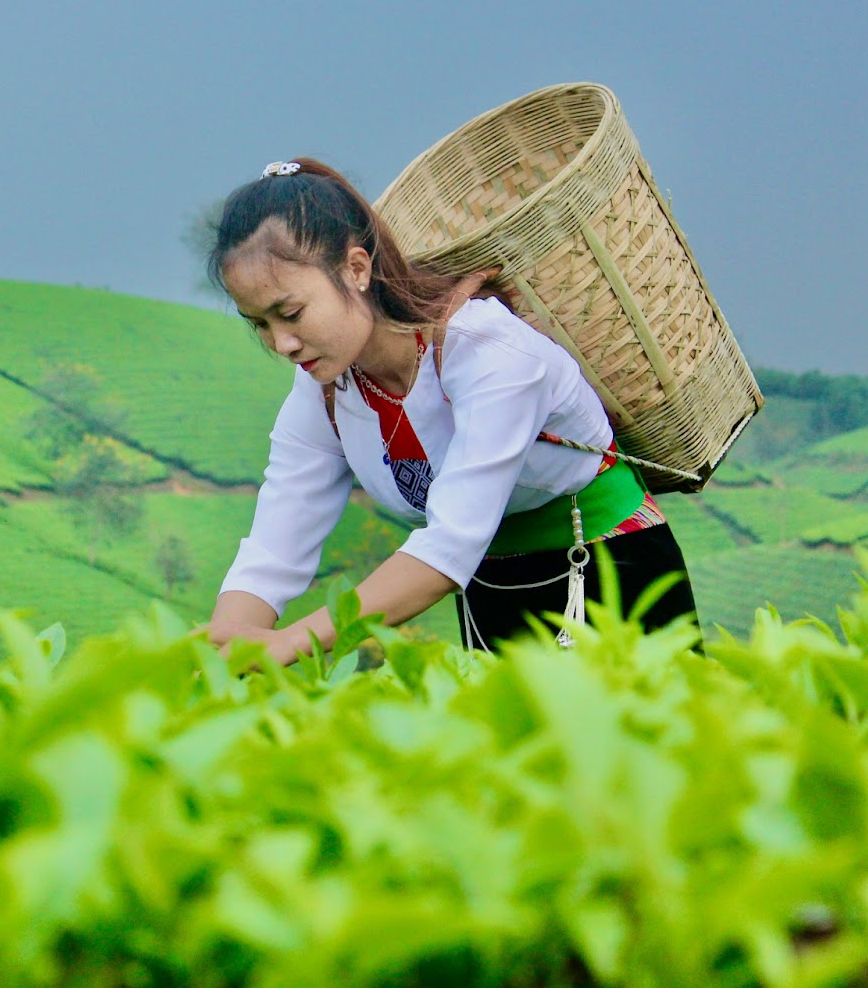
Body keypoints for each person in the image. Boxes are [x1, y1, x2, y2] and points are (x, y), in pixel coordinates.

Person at [205, 158, 697, 666]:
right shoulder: (323, 387)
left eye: (290, 313)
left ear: (356, 269)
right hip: (490, 585)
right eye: (258, 324)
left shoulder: (488, 351)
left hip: (610, 569)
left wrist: (292, 642)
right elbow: (276, 543)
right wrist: (224, 648)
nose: (281, 342)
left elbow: (449, 545)